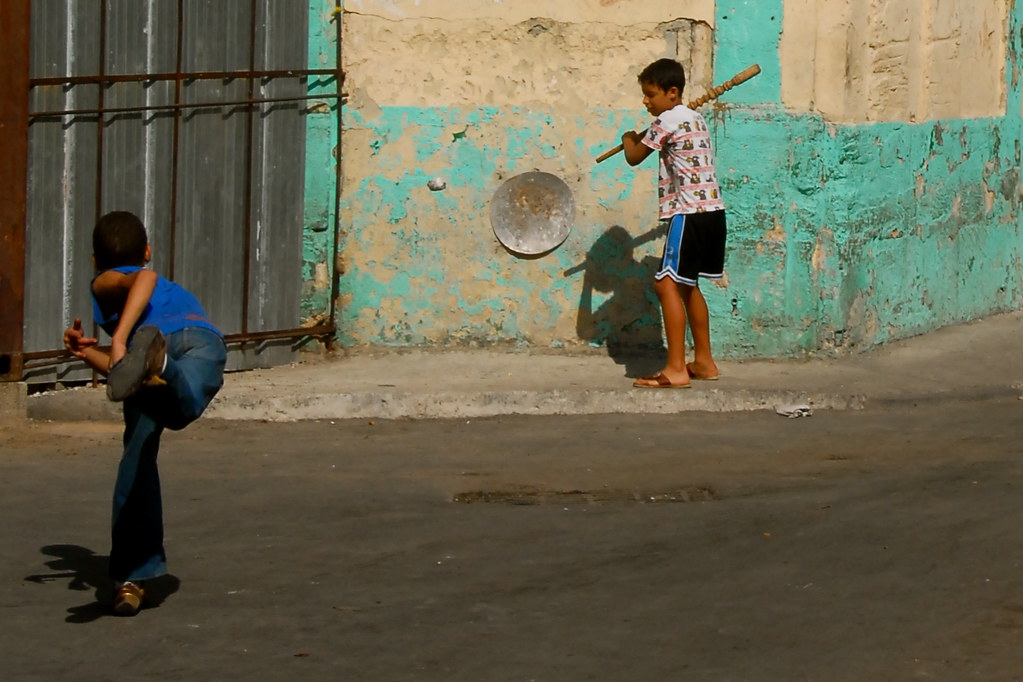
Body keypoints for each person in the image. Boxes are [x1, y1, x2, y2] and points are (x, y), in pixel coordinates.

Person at [62, 211, 226, 616]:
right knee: (181, 406)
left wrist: (118, 338)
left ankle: (133, 576)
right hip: (201, 345)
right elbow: (122, 378)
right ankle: (161, 367)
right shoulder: (173, 291)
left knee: (136, 461)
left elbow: (144, 279)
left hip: (153, 346)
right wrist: (88, 353)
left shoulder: (104, 280)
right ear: (148, 249)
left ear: (94, 260)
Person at [619, 58, 727, 388]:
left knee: (665, 284)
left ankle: (676, 369)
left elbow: (633, 156)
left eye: (651, 95)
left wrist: (627, 136)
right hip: (714, 213)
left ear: (672, 92)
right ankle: (705, 362)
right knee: (686, 284)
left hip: (689, 213)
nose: (645, 101)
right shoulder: (695, 118)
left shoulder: (666, 120)